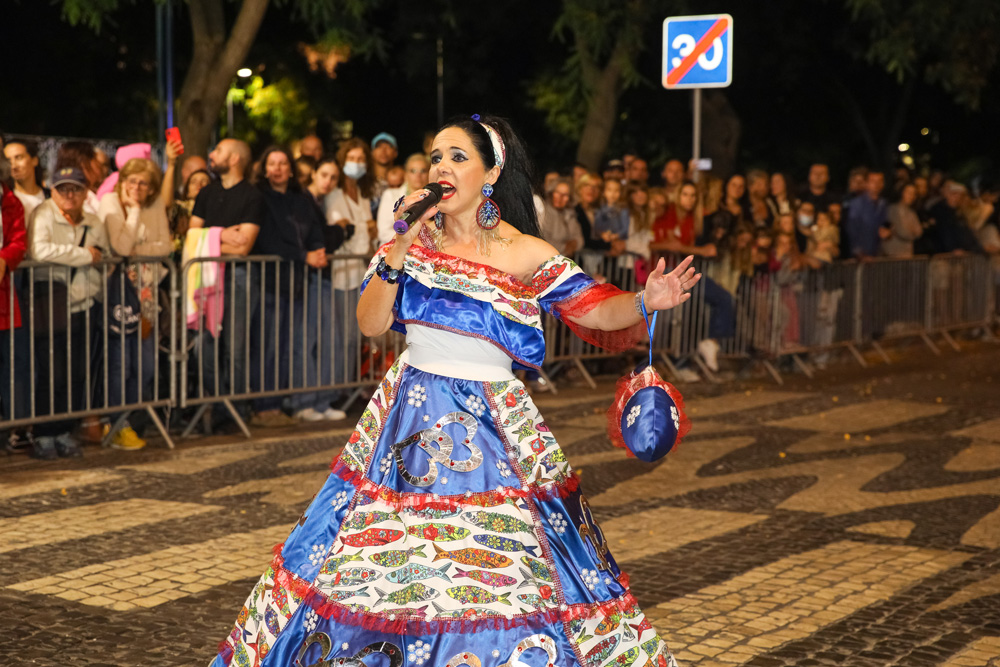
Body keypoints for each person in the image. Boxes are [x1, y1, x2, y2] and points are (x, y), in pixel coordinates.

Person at [211, 112, 694, 667]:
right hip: (405, 423)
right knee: (386, 565)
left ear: (490, 175)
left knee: (507, 569)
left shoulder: (524, 252)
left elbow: (593, 307)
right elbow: (370, 323)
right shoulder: (410, 238)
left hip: (494, 429)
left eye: (457, 157)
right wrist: (397, 246)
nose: (441, 167)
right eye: (436, 157)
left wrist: (643, 301)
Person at [27, 167, 110, 459]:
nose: (69, 194)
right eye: (63, 189)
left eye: (75, 188)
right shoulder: (43, 215)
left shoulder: (94, 222)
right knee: (51, 372)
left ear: (86, 192)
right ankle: (43, 433)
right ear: (53, 191)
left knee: (77, 373)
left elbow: (105, 257)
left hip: (84, 304)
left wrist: (95, 288)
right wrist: (84, 255)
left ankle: (64, 430)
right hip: (51, 303)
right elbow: (39, 251)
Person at [98, 148, 178, 449]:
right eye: (132, 181)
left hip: (147, 297)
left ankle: (130, 420)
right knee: (121, 364)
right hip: (118, 295)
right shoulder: (110, 201)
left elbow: (165, 246)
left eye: (144, 183)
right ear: (122, 181)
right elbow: (120, 246)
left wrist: (139, 245)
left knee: (145, 366)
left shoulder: (155, 204)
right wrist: (132, 212)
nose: (137, 188)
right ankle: (117, 422)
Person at [250, 146, 328, 426]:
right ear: (264, 168)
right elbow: (267, 240)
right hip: (270, 280)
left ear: (291, 169)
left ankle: (278, 402)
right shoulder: (259, 197)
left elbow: (316, 229)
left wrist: (317, 249)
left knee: (285, 344)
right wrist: (303, 256)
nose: (278, 168)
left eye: (283, 163)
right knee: (268, 345)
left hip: (295, 282)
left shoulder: (300, 199)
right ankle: (264, 406)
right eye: (272, 163)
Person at [188, 139, 266, 419]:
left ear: (234, 158)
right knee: (205, 344)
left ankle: (233, 409)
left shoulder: (252, 196)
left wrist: (206, 238)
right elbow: (190, 236)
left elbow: (243, 246)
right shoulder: (206, 193)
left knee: (236, 346)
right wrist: (221, 235)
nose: (212, 154)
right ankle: (215, 403)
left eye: (218, 150)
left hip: (239, 276)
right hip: (206, 276)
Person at [290, 156, 349, 422]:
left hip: (321, 276)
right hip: (310, 277)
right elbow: (316, 240)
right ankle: (305, 401)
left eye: (333, 177)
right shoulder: (303, 201)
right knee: (309, 339)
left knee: (327, 338)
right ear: (313, 173)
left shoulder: (317, 202)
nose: (327, 181)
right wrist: (339, 231)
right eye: (324, 174)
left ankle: (321, 400)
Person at [325, 138, 376, 392]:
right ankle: (336, 388)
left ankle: (347, 387)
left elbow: (369, 230)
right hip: (341, 272)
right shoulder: (334, 194)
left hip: (361, 272)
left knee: (354, 337)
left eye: (360, 159)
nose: (356, 164)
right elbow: (340, 228)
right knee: (340, 335)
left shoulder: (363, 195)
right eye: (352, 158)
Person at [376, 153, 430, 247]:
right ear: (406, 174)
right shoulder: (390, 195)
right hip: (392, 251)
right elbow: (383, 233)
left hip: (424, 255)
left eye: (423, 170)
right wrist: (415, 241)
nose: (418, 175)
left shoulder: (435, 199)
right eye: (413, 171)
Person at [844, 171, 887, 258]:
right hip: (860, 256)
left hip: (877, 253)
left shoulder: (883, 204)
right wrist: (858, 251)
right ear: (866, 183)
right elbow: (852, 229)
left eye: (879, 181)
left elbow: (885, 225)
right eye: (873, 181)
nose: (876, 184)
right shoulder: (856, 204)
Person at [4, 139, 48, 219]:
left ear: (34, 160)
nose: (13, 166)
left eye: (18, 158)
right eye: (8, 160)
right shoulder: (5, 200)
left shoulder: (51, 197)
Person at [539, 177, 583, 257]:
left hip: (564, 260)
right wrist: (565, 247)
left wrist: (573, 244)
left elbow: (579, 239)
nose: (560, 197)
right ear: (551, 193)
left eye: (565, 195)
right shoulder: (544, 211)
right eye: (557, 192)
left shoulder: (570, 214)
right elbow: (544, 238)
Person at [882, 183, 923, 258]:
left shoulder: (911, 212)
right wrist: (911, 231)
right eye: (908, 193)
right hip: (893, 253)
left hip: (907, 252)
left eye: (913, 194)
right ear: (902, 193)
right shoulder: (893, 209)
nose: (911, 196)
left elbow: (919, 231)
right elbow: (902, 232)